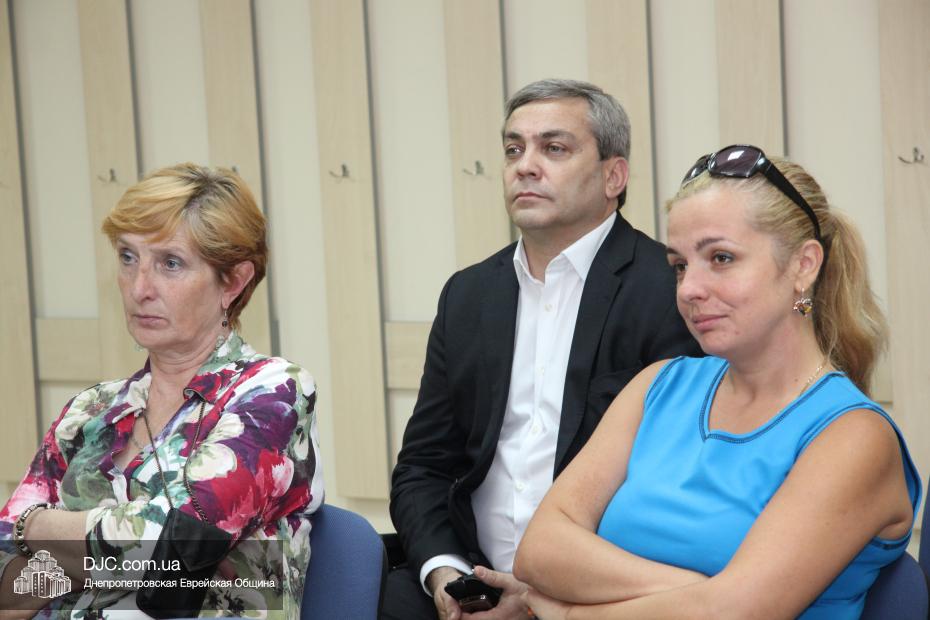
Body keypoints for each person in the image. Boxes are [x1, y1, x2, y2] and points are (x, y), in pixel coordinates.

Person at [513, 145, 921, 619]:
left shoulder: (853, 436)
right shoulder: (658, 386)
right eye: (680, 266)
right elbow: (539, 548)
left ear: (803, 266)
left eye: (721, 258)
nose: (689, 289)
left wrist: (570, 615)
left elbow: (737, 615)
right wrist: (704, 594)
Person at [384, 79, 701, 620]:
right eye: (514, 149)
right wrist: (446, 575)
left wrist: (543, 597)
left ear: (613, 176)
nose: (525, 166)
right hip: (470, 582)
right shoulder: (468, 295)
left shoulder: (670, 291)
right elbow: (424, 466)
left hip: (599, 595)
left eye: (554, 148)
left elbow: (673, 486)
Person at [0, 163, 323, 619]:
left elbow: (173, 545)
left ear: (233, 282)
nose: (139, 288)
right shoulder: (89, 410)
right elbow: (4, 580)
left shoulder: (272, 392)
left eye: (171, 263)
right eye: (128, 257)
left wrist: (34, 528)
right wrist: (97, 558)